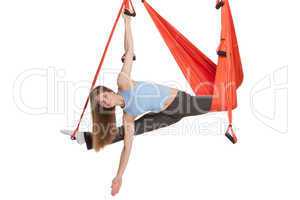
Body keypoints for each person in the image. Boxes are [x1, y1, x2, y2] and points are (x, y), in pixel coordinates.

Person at [61, 7, 212, 196]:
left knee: (216, 104)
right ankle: (88, 138)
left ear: (109, 91)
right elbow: (127, 148)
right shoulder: (128, 115)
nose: (106, 102)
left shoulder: (123, 82)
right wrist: (119, 176)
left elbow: (129, 50)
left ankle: (87, 138)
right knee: (129, 134)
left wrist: (127, 21)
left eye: (104, 97)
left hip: (179, 102)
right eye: (103, 104)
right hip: (166, 116)